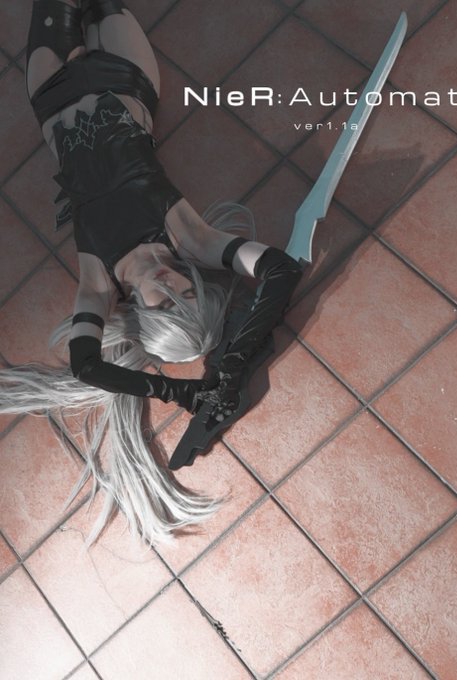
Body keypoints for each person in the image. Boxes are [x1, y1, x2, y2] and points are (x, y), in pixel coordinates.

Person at [0, 0, 302, 546]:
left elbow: (87, 366)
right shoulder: (190, 238)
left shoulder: (97, 281)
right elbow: (280, 269)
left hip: (52, 95)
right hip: (126, 75)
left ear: (142, 312)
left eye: (164, 301)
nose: (168, 281)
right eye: (185, 288)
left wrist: (174, 393)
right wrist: (235, 361)